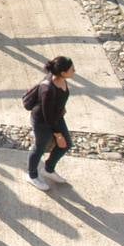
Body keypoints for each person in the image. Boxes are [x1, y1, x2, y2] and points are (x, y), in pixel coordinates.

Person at [26, 56, 76, 191]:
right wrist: (58, 135)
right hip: (42, 121)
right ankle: (32, 175)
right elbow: (48, 116)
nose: (74, 71)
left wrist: (62, 108)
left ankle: (48, 169)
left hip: (56, 117)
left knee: (67, 145)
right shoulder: (48, 90)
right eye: (72, 69)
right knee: (39, 148)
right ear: (63, 73)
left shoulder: (61, 79)